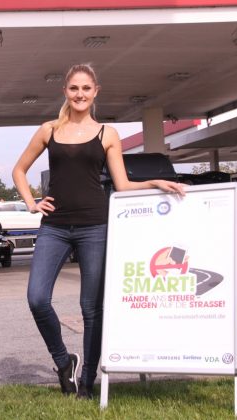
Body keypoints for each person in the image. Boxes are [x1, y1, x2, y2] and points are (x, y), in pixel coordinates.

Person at [12, 63, 185, 399]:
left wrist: (154, 182)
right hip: (55, 227)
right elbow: (19, 170)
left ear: (95, 92)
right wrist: (31, 203)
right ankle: (64, 362)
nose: (79, 94)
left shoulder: (108, 134)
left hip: (96, 226)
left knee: (91, 308)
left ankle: (87, 381)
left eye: (86, 89)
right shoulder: (48, 130)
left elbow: (121, 183)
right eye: (74, 88)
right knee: (36, 298)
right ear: (65, 91)